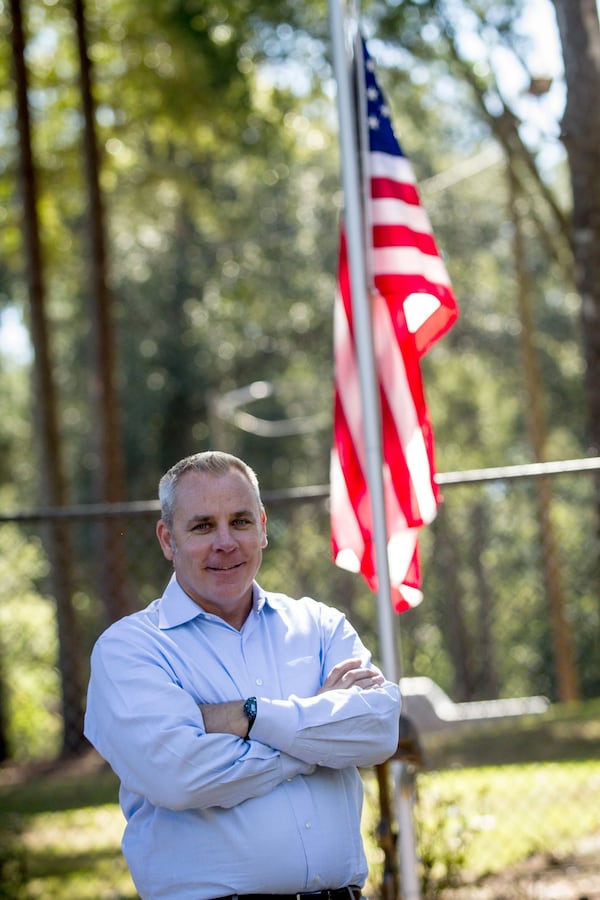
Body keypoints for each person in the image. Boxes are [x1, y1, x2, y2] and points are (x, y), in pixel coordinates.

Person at [84, 450, 400, 900]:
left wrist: (247, 717)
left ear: (263, 527)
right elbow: (179, 776)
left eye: (241, 521)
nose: (225, 542)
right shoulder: (132, 649)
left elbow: (377, 732)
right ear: (167, 539)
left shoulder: (319, 625)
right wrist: (315, 745)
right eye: (202, 526)